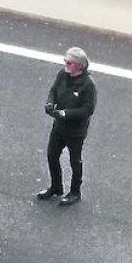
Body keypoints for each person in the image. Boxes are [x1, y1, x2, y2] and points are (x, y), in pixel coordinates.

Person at [38, 47, 97, 206]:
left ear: (79, 65)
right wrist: (50, 103)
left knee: (74, 161)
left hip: (76, 131)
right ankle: (56, 186)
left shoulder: (88, 84)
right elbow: (54, 90)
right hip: (59, 126)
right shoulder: (62, 74)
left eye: (69, 62)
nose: (66, 64)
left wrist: (65, 113)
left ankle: (75, 191)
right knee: (52, 155)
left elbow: (88, 109)